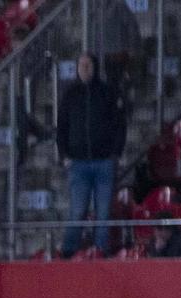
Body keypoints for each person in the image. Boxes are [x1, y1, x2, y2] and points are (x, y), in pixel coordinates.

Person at [57, 53, 128, 257]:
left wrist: (115, 153)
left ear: (95, 67)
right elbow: (62, 126)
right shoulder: (70, 94)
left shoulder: (107, 93)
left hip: (104, 161)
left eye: (88, 65)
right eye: (81, 65)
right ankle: (69, 252)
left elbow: (119, 124)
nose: (84, 69)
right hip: (78, 162)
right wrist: (64, 154)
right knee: (77, 211)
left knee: (103, 212)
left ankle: (100, 251)